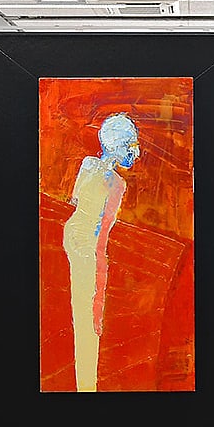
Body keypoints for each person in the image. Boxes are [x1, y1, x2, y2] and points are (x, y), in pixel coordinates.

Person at [62, 113, 141, 391]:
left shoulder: (87, 164)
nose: (136, 153)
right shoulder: (117, 184)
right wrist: (100, 283)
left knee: (79, 312)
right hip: (86, 248)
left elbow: (76, 201)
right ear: (118, 146)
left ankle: (85, 383)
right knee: (89, 318)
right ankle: (86, 385)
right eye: (131, 145)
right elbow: (101, 235)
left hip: (71, 237)